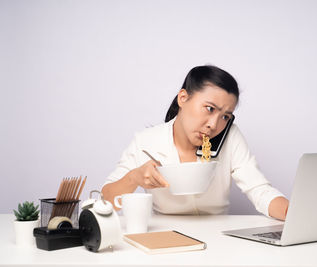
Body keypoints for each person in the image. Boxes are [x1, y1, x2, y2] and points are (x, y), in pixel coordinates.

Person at [102, 65, 289, 220]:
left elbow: (260, 190)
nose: (214, 125)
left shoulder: (230, 137)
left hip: (218, 239)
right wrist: (134, 178)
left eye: (225, 116)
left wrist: (294, 215)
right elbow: (106, 201)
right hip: (164, 237)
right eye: (209, 109)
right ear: (183, 98)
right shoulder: (146, 141)